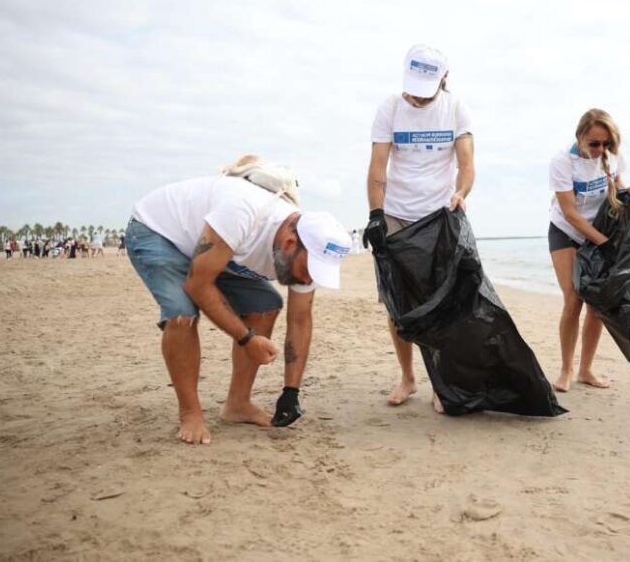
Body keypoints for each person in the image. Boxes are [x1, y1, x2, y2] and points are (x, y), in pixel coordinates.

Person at [126, 172, 352, 444]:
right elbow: (198, 286)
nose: (307, 280)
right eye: (307, 270)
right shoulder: (243, 212)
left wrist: (291, 392)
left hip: (215, 252)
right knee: (182, 314)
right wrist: (246, 338)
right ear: (290, 244)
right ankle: (190, 413)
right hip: (159, 232)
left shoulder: (306, 250)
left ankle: (238, 404)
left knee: (266, 305)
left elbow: (300, 320)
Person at [365, 44, 475, 411]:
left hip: (438, 215)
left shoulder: (456, 109)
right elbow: (378, 167)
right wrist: (375, 215)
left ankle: (439, 383)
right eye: (411, 87)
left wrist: (461, 193)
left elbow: (466, 163)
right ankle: (408, 377)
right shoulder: (390, 108)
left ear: (444, 79)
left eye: (424, 90)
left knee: (438, 301)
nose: (415, 97)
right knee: (398, 303)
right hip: (397, 212)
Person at [548, 109, 630, 392]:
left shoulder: (611, 156)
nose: (599, 150)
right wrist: (603, 243)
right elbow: (571, 214)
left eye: (605, 144)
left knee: (597, 302)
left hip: (598, 231)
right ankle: (566, 369)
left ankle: (586, 369)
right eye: (594, 143)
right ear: (580, 136)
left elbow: (617, 187)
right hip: (566, 231)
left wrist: (627, 190)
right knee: (573, 299)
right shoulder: (562, 162)